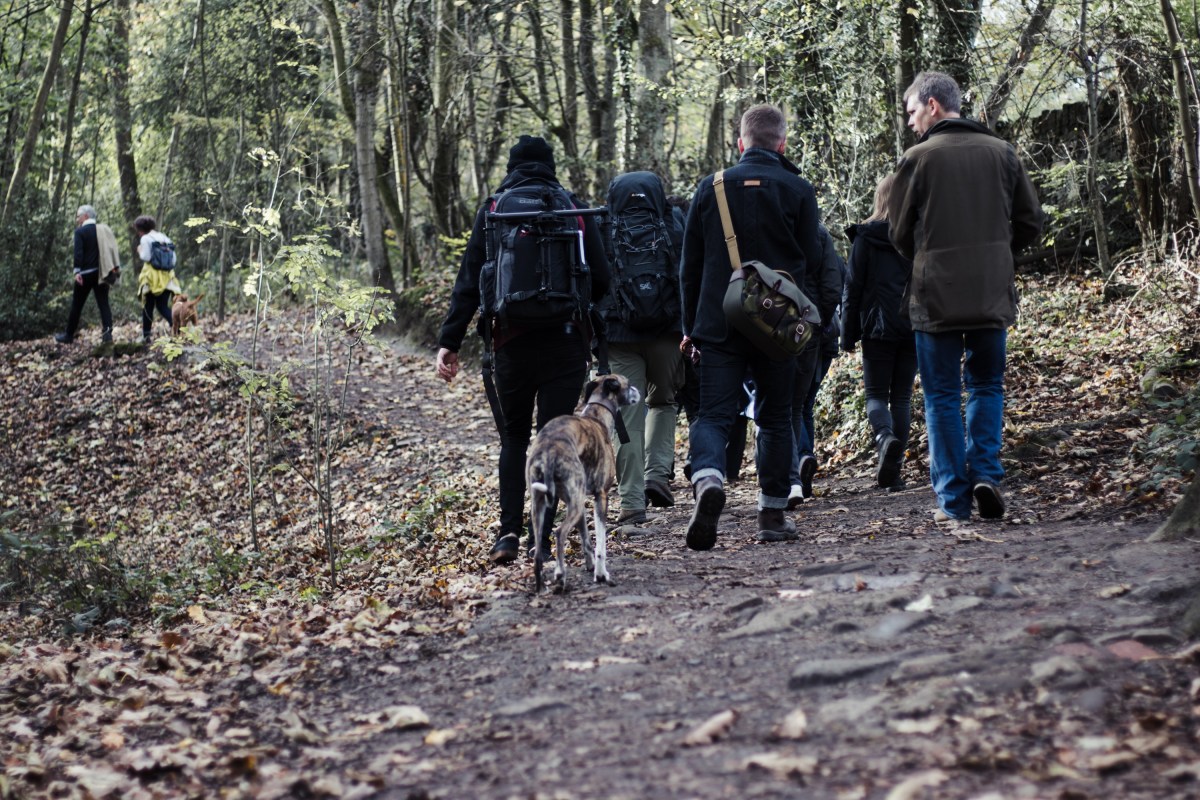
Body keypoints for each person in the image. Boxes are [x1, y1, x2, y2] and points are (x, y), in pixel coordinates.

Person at [434, 135, 610, 564]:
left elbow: (470, 282)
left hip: (509, 343)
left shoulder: (495, 211)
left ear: (512, 167)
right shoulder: (572, 208)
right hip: (566, 344)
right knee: (552, 442)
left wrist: (449, 342)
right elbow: (603, 279)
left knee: (514, 439)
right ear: (550, 165)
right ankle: (542, 540)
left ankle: (508, 533)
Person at [889, 71, 1043, 522]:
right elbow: (1031, 222)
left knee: (940, 396)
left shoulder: (917, 159)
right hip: (991, 294)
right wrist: (999, 256)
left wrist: (927, 256)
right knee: (986, 386)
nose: (912, 122)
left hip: (934, 296)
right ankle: (987, 477)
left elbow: (897, 233)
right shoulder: (1003, 153)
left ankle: (953, 502)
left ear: (933, 105)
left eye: (913, 111)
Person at [679, 103, 829, 548]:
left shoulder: (710, 188)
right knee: (776, 418)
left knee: (713, 414)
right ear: (782, 144)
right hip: (777, 326)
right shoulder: (799, 189)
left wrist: (690, 325)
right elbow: (811, 257)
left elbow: (689, 265)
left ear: (740, 142)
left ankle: (707, 480)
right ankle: (771, 516)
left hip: (718, 320)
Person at [600, 171, 686, 525]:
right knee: (663, 402)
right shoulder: (674, 223)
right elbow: (688, 273)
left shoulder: (602, 225)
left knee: (625, 418)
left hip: (619, 336)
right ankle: (657, 474)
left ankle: (632, 502)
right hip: (667, 333)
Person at [842, 174, 917, 491]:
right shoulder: (918, 235)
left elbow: (852, 288)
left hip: (877, 327)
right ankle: (894, 473)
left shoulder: (865, 238)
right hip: (914, 324)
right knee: (901, 397)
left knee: (875, 396)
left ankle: (885, 439)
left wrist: (847, 333)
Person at [788, 223, 846, 507]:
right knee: (804, 402)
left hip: (783, 326)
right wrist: (819, 318)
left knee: (790, 405)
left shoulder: (775, 228)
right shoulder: (819, 234)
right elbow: (834, 283)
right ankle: (804, 456)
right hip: (820, 332)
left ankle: (798, 461)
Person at [55, 205, 119, 344]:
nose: (77, 219)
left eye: (78, 216)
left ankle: (68, 335)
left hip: (85, 274)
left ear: (86, 216)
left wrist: (77, 271)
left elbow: (78, 253)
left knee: (77, 305)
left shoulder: (80, 232)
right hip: (101, 273)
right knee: (104, 304)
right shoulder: (103, 230)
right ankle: (107, 335)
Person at [134, 215, 181, 344]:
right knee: (162, 306)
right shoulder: (164, 237)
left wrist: (139, 250)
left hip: (151, 277)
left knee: (147, 306)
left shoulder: (145, 238)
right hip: (167, 277)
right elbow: (173, 259)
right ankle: (178, 327)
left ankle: (146, 336)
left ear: (140, 229)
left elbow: (146, 257)